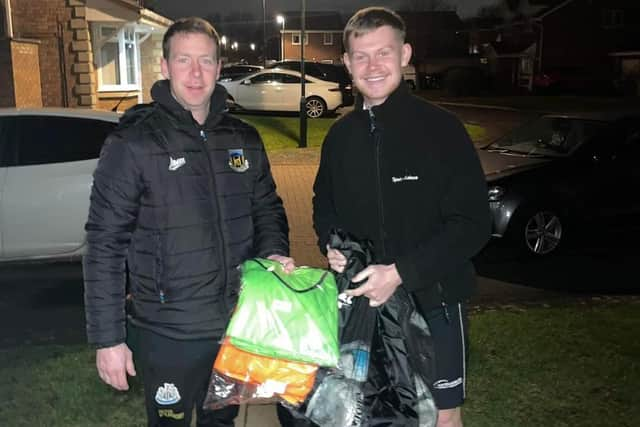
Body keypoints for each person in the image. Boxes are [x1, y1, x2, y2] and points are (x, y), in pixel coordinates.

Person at [83, 17, 293, 427]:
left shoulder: (243, 138)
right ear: (164, 66)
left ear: (219, 66)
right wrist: (108, 339)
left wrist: (273, 254)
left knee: (222, 422)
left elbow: (267, 209)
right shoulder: (133, 144)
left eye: (206, 61)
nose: (196, 73)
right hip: (168, 334)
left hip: (236, 327)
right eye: (184, 60)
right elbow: (105, 245)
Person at [312, 7, 491, 427]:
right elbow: (324, 200)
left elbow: (473, 224)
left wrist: (401, 272)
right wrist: (331, 243)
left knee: (441, 419)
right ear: (347, 63)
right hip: (365, 309)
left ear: (405, 54)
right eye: (361, 55)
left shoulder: (442, 129)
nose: (373, 66)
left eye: (384, 53)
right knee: (369, 414)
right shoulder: (340, 136)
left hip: (435, 302)